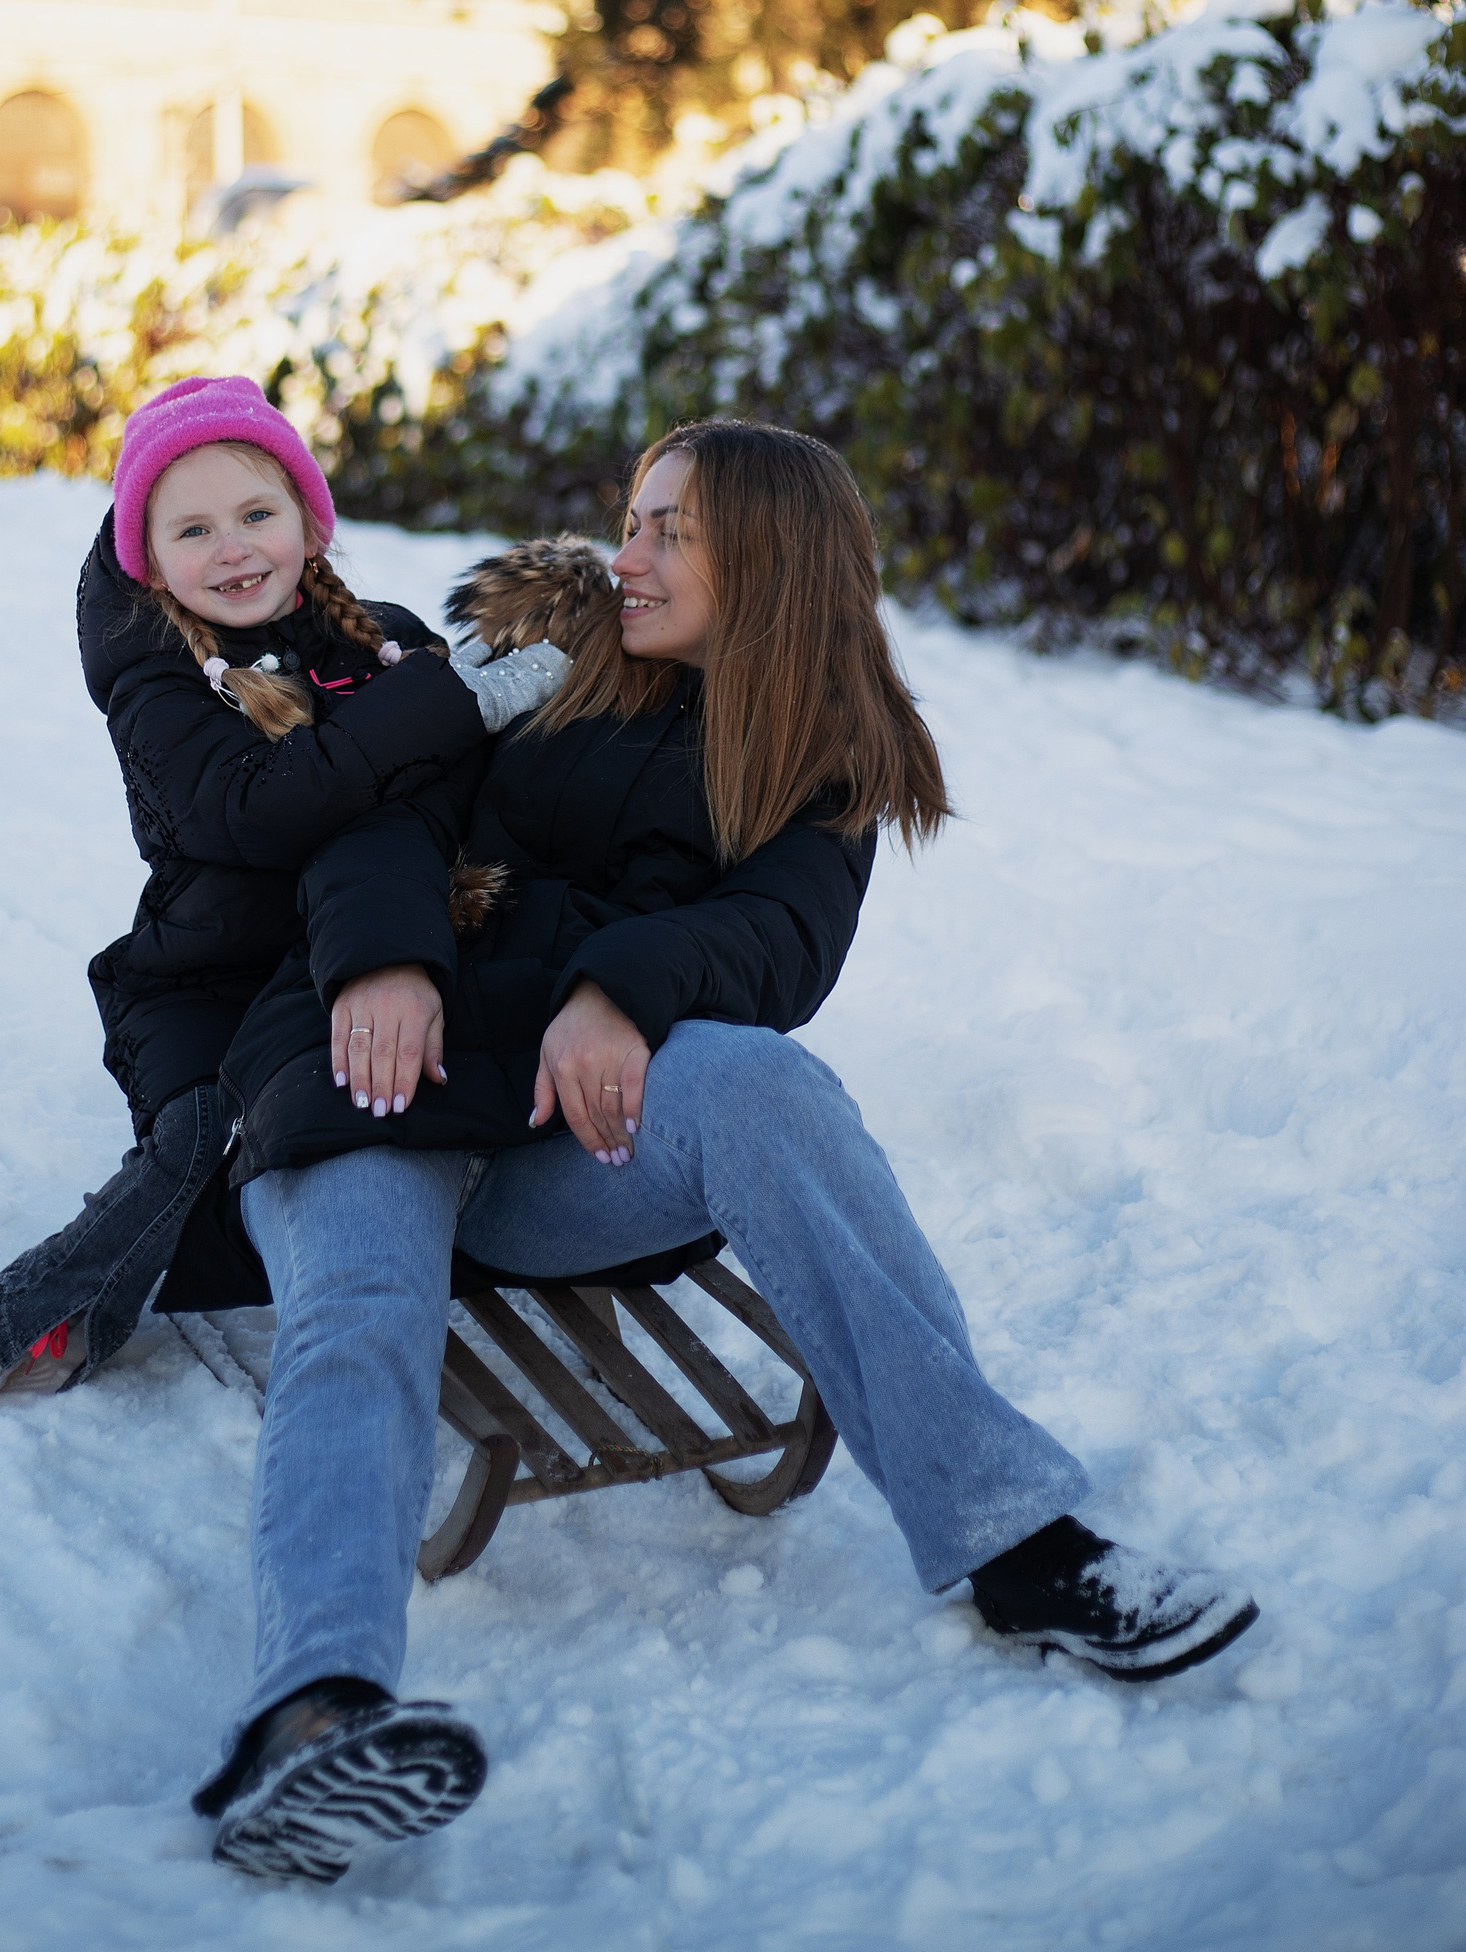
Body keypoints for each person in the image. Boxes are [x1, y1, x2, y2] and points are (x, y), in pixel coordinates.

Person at [181, 421, 1259, 1885]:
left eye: (668, 532)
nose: (624, 556)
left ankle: (1019, 1543)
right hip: (379, 1067)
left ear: (768, 559)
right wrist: (385, 960)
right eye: (632, 520)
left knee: (762, 1081)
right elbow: (380, 813)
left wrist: (619, 989)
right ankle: (311, 1713)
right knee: (363, 1300)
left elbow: (779, 939)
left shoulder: (823, 755)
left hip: (560, 1139)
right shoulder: (541, 659)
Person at [0, 373, 568, 1410]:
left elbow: (441, 802)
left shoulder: (384, 643)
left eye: (258, 515)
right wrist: (440, 706)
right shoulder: (159, 688)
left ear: (309, 522)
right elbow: (258, 809)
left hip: (330, 966)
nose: (233, 549)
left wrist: (478, 698)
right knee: (196, 1144)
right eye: (195, 530)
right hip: (205, 977)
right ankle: (17, 1317)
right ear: (150, 558)